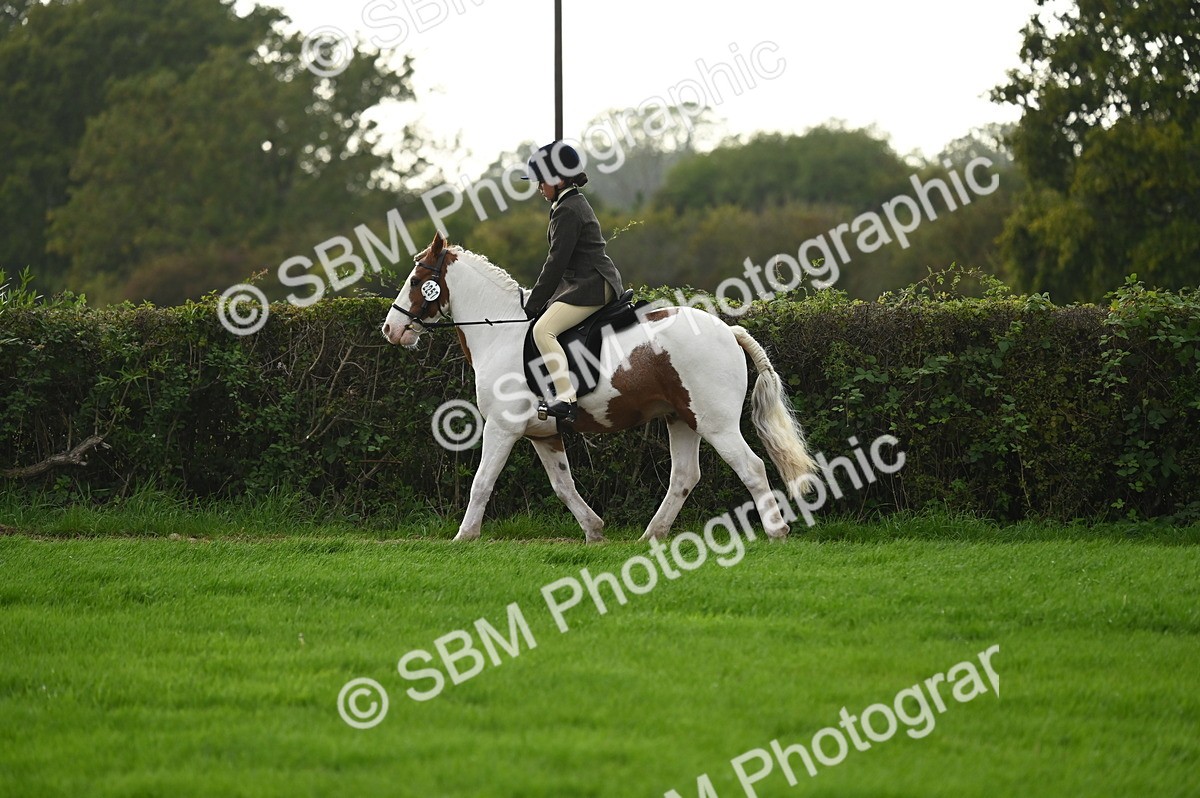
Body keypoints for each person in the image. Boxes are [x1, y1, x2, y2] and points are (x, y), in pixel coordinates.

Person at [522, 141, 624, 423]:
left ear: (557, 179)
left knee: (542, 330)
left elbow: (556, 263)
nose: (539, 187)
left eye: (541, 181)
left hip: (592, 284)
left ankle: (565, 399)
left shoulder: (568, 209)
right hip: (586, 281)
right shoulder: (569, 202)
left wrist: (532, 305)